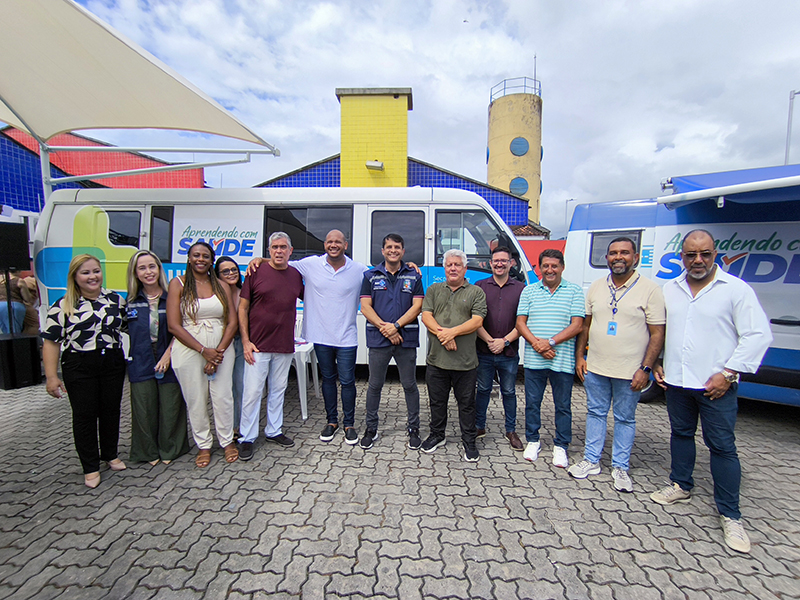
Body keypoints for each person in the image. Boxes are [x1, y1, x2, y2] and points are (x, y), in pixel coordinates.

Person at [651, 229, 771, 554]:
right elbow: (663, 331)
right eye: (691, 255)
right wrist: (658, 361)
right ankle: (681, 485)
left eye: (704, 253)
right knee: (680, 434)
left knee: (722, 447)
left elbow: (758, 335)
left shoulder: (735, 289)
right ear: (682, 257)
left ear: (715, 254)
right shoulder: (670, 289)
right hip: (677, 381)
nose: (698, 260)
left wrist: (729, 374)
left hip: (715, 386)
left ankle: (730, 515)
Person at [568, 237, 665, 492]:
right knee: (595, 413)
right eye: (613, 253)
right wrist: (580, 357)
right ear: (607, 258)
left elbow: (657, 333)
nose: (618, 257)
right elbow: (585, 326)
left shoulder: (650, 290)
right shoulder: (596, 287)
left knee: (624, 418)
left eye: (624, 252)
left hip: (630, 371)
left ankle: (620, 467)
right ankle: (591, 460)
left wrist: (646, 368)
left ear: (636, 257)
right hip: (596, 367)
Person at [42, 254, 127, 488]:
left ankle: (110, 454)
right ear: (75, 276)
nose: (92, 276)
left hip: (112, 361)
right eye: (86, 272)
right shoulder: (63, 304)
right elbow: (51, 342)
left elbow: (129, 328)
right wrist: (51, 377)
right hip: (79, 365)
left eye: (96, 271)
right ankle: (90, 466)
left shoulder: (116, 300)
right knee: (84, 415)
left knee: (111, 410)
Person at [167, 242, 239, 468]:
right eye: (196, 255)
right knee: (196, 398)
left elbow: (232, 322)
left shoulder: (221, 285)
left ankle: (227, 441)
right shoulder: (178, 284)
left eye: (205, 256)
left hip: (221, 346)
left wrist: (217, 353)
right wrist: (203, 351)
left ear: (211, 260)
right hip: (189, 348)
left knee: (223, 397)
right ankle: (204, 445)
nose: (201, 259)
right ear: (189, 258)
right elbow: (173, 325)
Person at [237, 232, 304, 461]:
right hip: (257, 345)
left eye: (283, 247)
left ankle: (274, 430)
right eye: (274, 247)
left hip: (284, 343)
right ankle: (247, 437)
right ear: (269, 250)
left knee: (278, 390)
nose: (279, 251)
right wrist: (245, 341)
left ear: (290, 251)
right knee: (253, 392)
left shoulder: (295, 275)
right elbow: (242, 308)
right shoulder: (255, 272)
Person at [516, 249, 584, 468]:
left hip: (561, 359)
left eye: (554, 266)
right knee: (532, 403)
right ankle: (533, 441)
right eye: (545, 265)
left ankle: (561, 446)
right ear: (539, 268)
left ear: (562, 267)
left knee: (562, 405)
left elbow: (577, 325)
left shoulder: (574, 291)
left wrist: (550, 342)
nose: (550, 269)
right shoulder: (529, 291)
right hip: (535, 359)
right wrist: (538, 344)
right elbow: (520, 323)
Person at [358, 233, 425, 450]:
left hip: (406, 340)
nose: (393, 250)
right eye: (389, 247)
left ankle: (414, 428)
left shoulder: (414, 276)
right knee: (374, 385)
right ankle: (371, 428)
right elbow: (365, 307)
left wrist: (395, 326)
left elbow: (417, 306)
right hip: (379, 340)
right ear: (383, 251)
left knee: (410, 385)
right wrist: (385, 329)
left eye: (397, 247)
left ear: (403, 251)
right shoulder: (370, 276)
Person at [420, 249, 487, 461]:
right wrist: (445, 335)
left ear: (465, 269)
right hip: (436, 361)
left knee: (466, 404)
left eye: (457, 264)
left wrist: (452, 333)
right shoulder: (434, 289)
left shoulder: (476, 292)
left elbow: (477, 321)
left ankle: (469, 441)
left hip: (465, 363)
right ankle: (437, 435)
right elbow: (426, 316)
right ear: (444, 268)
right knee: (437, 402)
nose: (453, 268)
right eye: (449, 265)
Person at [125, 250, 190, 466]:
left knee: (171, 406)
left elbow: (181, 328)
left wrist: (167, 355)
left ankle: (170, 449)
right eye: (142, 268)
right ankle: (148, 452)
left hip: (169, 355)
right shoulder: (130, 301)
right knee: (144, 407)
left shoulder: (171, 297)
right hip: (141, 358)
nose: (148, 272)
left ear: (159, 269)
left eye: (152, 266)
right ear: (135, 273)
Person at [474, 246, 526, 451]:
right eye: (496, 260)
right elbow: (474, 319)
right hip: (483, 350)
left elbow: (523, 322)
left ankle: (510, 430)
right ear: (490, 263)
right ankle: (479, 427)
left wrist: (504, 341)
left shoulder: (521, 288)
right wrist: (490, 341)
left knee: (509, 391)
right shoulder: (479, 286)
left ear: (511, 263)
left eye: (504, 260)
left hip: (509, 352)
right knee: (483, 390)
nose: (499, 264)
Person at [215, 256, 245, 436]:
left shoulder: (244, 293)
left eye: (234, 269)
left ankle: (238, 428)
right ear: (217, 275)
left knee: (240, 387)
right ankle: (225, 428)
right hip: (220, 345)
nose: (231, 273)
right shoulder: (214, 295)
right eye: (225, 271)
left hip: (240, 343)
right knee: (223, 389)